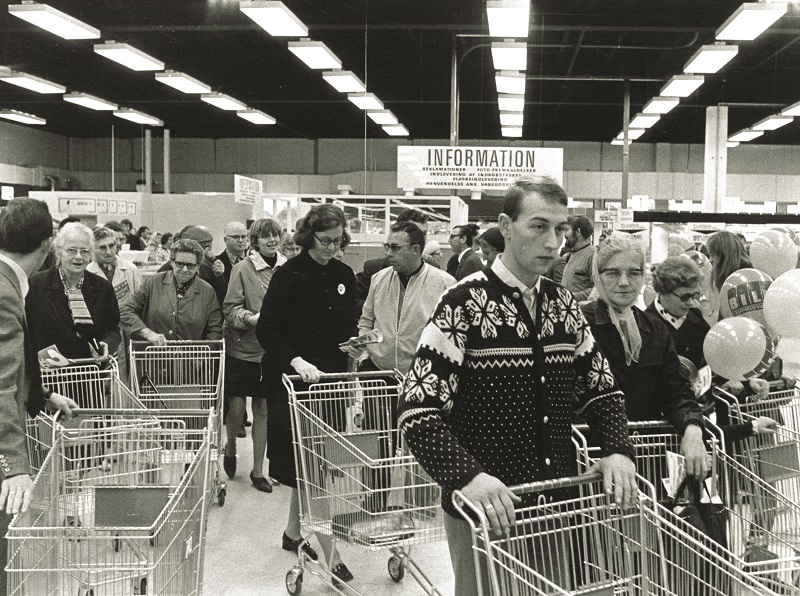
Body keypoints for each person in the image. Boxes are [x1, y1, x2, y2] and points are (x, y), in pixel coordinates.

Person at [397, 176, 637, 596]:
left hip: (556, 509)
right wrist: (467, 477)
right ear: (506, 226)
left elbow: (602, 390)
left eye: (561, 230)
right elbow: (417, 410)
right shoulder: (463, 302)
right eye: (539, 227)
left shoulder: (563, 305)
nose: (553, 243)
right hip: (485, 513)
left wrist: (616, 449)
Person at [256, 204, 357, 584]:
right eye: (325, 240)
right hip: (293, 385)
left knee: (312, 467)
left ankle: (293, 534)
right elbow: (268, 331)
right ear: (308, 236)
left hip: (328, 383)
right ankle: (332, 555)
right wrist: (296, 360)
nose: (333, 247)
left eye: (338, 240)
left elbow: (345, 328)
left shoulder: (345, 274)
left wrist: (354, 349)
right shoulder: (289, 275)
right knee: (312, 470)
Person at [579, 233, 708, 479]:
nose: (625, 282)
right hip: (592, 458)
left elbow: (676, 391)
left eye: (634, 273)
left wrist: (693, 428)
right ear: (598, 274)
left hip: (646, 457)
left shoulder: (654, 329)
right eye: (613, 273)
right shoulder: (578, 323)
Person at [0, 198, 78, 595]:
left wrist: (43, 396)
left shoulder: (9, 281)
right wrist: (13, 464)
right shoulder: (5, 293)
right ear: (48, 245)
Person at [648, 257, 774, 434]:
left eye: (695, 295)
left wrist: (748, 381)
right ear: (663, 291)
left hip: (698, 409)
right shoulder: (647, 325)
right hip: (665, 419)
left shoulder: (694, 317)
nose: (692, 302)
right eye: (685, 297)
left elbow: (716, 354)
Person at [222, 218, 287, 492]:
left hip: (270, 351)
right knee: (237, 408)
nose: (272, 240)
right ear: (255, 241)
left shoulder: (286, 268)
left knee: (262, 408)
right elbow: (230, 308)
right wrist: (251, 319)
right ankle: (231, 445)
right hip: (242, 348)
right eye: (266, 237)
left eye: (275, 236)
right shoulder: (242, 269)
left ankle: (258, 471)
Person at [347, 221, 455, 378]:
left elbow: (452, 333)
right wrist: (363, 352)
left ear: (415, 249)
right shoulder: (378, 279)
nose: (389, 253)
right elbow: (366, 321)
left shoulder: (445, 283)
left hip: (424, 374)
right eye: (387, 246)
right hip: (379, 372)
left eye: (395, 247)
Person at [27, 223, 121, 361]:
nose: (79, 257)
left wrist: (107, 344)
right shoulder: (35, 285)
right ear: (59, 252)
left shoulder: (103, 287)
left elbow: (112, 329)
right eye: (71, 250)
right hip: (48, 374)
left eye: (85, 251)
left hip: (90, 371)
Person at [120, 238, 223, 344]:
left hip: (190, 357)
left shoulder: (207, 291)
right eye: (180, 264)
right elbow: (125, 310)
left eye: (191, 266)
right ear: (172, 262)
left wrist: (203, 355)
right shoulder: (153, 282)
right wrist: (148, 334)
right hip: (153, 356)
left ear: (199, 266)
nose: (184, 270)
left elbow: (215, 329)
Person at [86, 227, 143, 382]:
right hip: (103, 333)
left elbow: (141, 303)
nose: (109, 251)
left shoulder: (130, 269)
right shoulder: (87, 272)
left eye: (111, 246)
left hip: (128, 330)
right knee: (104, 377)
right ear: (93, 249)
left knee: (128, 378)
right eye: (102, 247)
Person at [354, 208, 431, 305]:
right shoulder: (374, 270)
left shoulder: (434, 271)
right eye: (415, 233)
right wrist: (381, 310)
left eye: (424, 233)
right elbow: (354, 301)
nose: (421, 239)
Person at [158, 226, 227, 308]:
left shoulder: (209, 268)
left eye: (209, 247)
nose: (208, 253)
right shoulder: (167, 269)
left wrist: (219, 277)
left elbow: (220, 302)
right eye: (205, 248)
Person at [707, 230, 752, 321]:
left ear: (723, 254)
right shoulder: (748, 271)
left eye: (712, 254)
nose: (710, 260)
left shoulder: (738, 277)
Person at [561, 214, 595, 301]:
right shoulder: (572, 254)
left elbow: (597, 289)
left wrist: (569, 298)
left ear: (577, 232)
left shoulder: (593, 255)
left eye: (567, 230)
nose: (564, 234)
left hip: (582, 312)